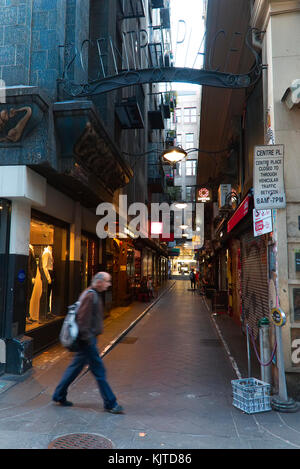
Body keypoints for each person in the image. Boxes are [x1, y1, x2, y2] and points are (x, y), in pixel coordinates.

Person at [52, 272, 124, 414]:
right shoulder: (90, 296)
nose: (109, 285)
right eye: (107, 282)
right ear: (99, 282)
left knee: (75, 368)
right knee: (99, 371)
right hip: (87, 341)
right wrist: (89, 340)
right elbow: (82, 320)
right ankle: (111, 403)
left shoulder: (92, 294)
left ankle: (59, 395)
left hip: (87, 340)